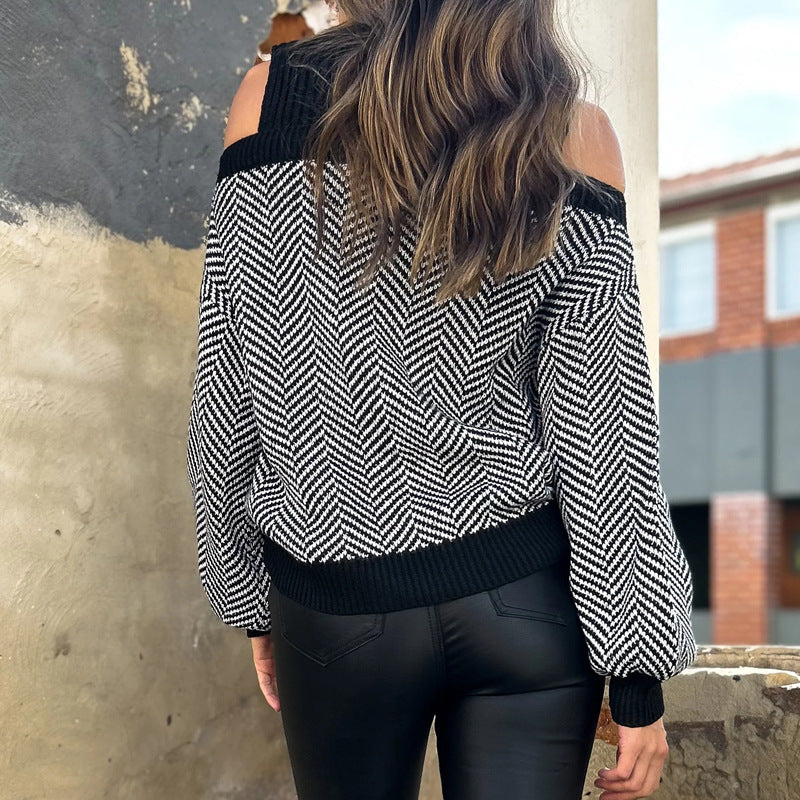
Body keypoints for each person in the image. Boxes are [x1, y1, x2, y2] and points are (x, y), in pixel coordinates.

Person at [186, 2, 697, 799]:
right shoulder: (573, 135)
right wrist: (635, 674)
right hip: (526, 606)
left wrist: (249, 596)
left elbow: (229, 381)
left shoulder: (271, 100)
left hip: (335, 606)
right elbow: (605, 430)